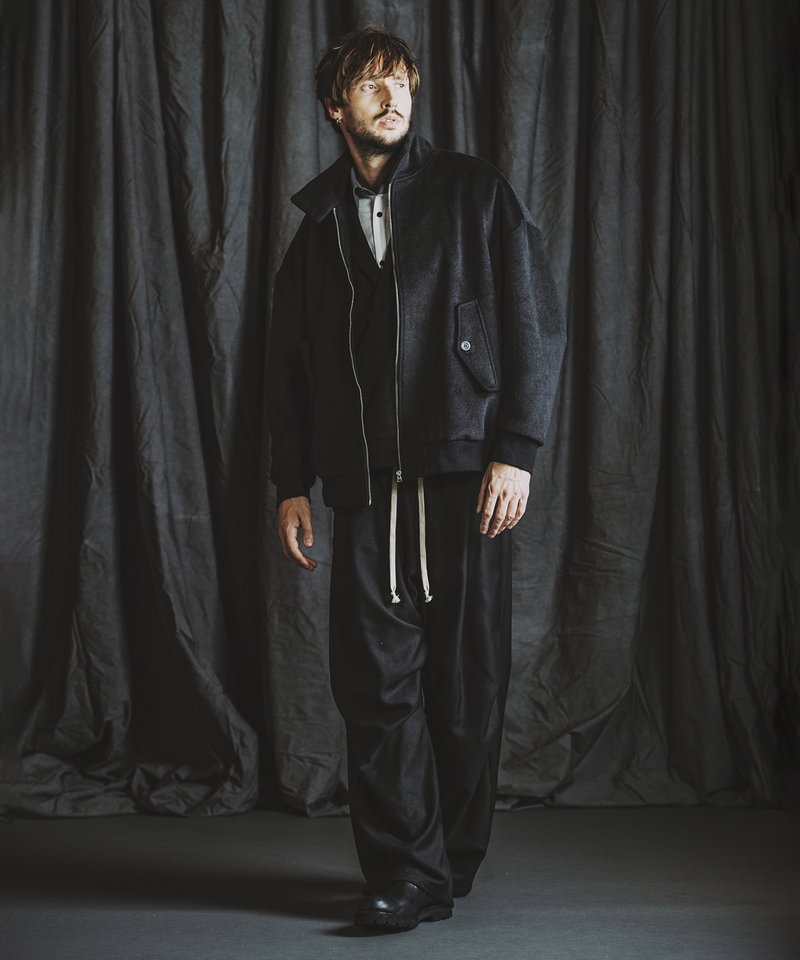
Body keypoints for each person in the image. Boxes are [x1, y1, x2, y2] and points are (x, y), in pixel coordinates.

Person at [266, 25, 566, 931]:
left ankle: (448, 861)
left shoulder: (475, 193)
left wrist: (517, 447)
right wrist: (291, 481)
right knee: (375, 686)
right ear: (336, 107)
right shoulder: (318, 227)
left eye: (400, 80)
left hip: (466, 473)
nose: (392, 96)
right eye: (370, 85)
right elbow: (289, 368)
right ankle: (406, 872)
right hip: (364, 487)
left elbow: (533, 321)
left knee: (467, 685)